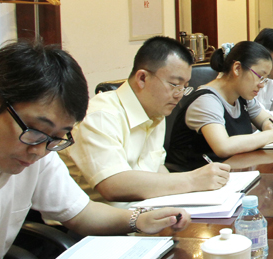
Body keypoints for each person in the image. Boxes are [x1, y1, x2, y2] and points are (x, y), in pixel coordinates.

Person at [0, 41, 190, 259]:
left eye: (57, 138)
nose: (39, 151)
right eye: (35, 131)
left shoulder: (40, 150)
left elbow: (80, 213)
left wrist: (138, 219)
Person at [63, 37, 230, 206]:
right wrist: (192, 180)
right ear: (142, 78)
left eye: (184, 87)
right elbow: (113, 185)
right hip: (104, 218)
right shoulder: (100, 115)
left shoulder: (156, 111)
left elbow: (157, 170)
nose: (179, 94)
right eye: (174, 84)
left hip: (144, 211)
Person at [167, 41, 273, 170]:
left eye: (265, 79)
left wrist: (268, 125)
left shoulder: (243, 96)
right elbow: (223, 147)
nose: (262, 85)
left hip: (232, 171)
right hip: (193, 177)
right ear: (237, 68)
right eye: (260, 77)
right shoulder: (206, 100)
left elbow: (265, 119)